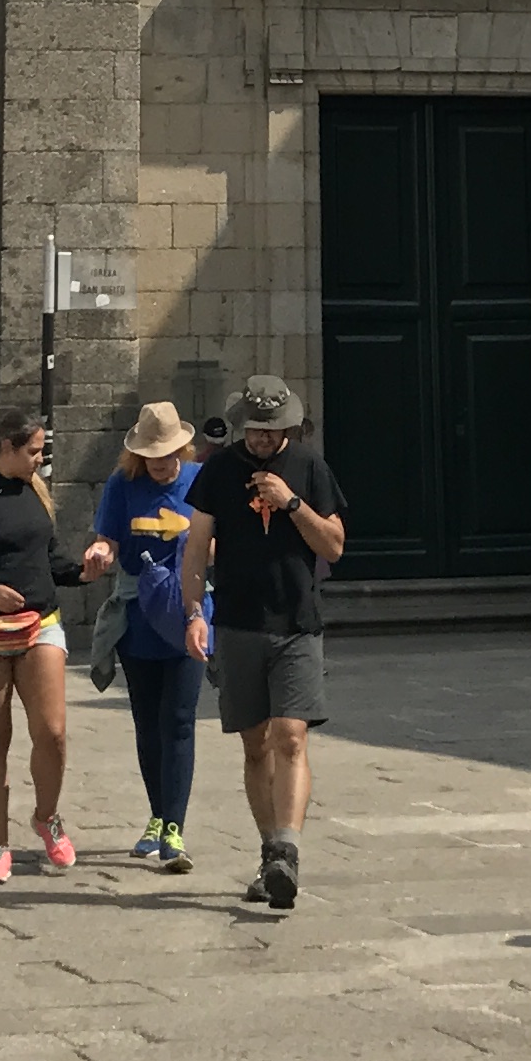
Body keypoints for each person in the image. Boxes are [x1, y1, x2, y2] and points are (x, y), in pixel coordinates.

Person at [177, 372, 345, 912]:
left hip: (297, 622)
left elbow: (334, 546)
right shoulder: (219, 470)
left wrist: (292, 503)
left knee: (291, 735)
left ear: (287, 428)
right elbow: (196, 548)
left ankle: (287, 853)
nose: (262, 438)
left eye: (271, 430)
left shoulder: (310, 467)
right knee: (255, 745)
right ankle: (270, 852)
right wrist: (194, 613)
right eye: (254, 429)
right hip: (237, 622)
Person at [0, 403, 110, 887]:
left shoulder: (35, 492)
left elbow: (47, 559)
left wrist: (83, 572)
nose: (41, 460)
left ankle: (46, 817)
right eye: (34, 451)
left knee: (52, 731)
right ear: (8, 447)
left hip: (40, 623)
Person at [89, 400, 208, 871]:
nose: (161, 462)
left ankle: (174, 829)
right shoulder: (122, 484)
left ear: (183, 449)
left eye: (169, 453)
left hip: (187, 612)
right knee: (147, 720)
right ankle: (157, 816)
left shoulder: (200, 482)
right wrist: (100, 552)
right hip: (138, 615)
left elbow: (219, 540)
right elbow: (108, 539)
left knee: (179, 720)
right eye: (152, 455)